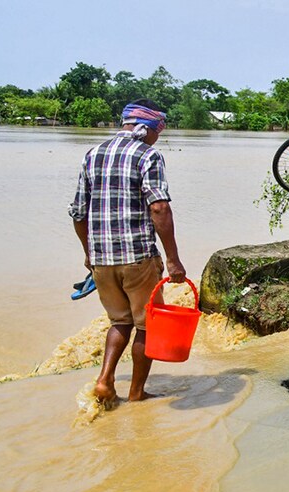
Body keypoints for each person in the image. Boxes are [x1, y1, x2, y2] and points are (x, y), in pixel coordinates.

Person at [69, 99, 186, 404]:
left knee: (119, 322)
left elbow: (78, 213)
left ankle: (105, 381)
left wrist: (89, 254)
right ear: (147, 128)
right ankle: (136, 393)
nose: (158, 138)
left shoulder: (92, 154)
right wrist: (173, 259)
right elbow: (159, 207)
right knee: (147, 325)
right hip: (137, 257)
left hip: (101, 260)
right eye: (158, 132)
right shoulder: (148, 155)